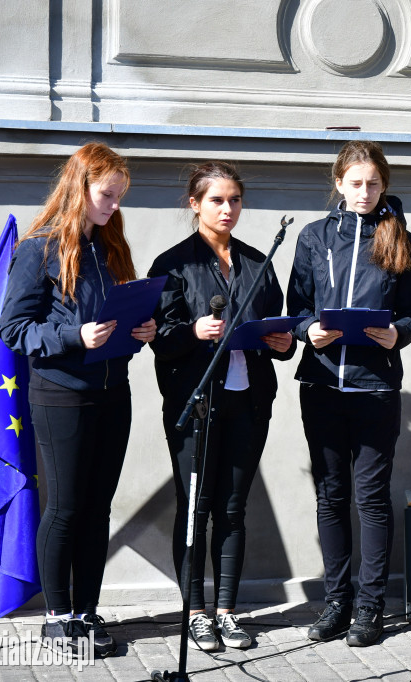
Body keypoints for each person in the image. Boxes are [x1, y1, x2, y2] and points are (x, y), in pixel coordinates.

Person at [0, 142, 156, 658]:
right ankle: (56, 616)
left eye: (119, 197)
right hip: (61, 394)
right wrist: (73, 337)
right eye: (107, 195)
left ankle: (87, 612)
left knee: (97, 509)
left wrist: (141, 329)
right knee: (65, 509)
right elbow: (14, 328)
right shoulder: (38, 248)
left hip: (115, 393)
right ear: (79, 188)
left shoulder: (111, 247)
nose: (114, 206)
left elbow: (115, 315)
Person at [148, 162, 296, 651]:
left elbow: (282, 333)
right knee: (196, 507)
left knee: (234, 509)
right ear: (195, 204)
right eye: (216, 200)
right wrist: (192, 332)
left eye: (234, 199)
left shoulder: (257, 261)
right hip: (197, 406)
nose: (227, 209)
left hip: (248, 402)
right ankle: (195, 611)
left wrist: (279, 342)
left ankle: (228, 610)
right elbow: (159, 340)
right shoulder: (173, 264)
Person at [287, 140, 411, 647]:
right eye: (356, 182)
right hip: (321, 383)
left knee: (370, 498)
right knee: (330, 496)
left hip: (375, 387)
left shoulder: (399, 239)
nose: (365, 192)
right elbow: (296, 304)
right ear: (339, 183)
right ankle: (336, 603)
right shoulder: (313, 236)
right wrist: (307, 332)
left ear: (384, 184)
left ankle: (369, 608)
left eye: (373, 183)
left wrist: (398, 334)